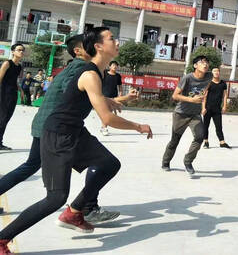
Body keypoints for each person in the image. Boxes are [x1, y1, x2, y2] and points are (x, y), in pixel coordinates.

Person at [0, 27, 153, 254]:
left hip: (75, 131)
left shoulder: (97, 73)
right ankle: (3, 239)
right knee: (55, 197)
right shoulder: (88, 73)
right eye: (112, 39)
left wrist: (110, 100)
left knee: (109, 163)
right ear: (98, 46)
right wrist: (138, 126)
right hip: (57, 133)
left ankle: (75, 211)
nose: (118, 43)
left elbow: (90, 98)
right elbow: (107, 119)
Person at [162, 55, 212, 177]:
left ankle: (188, 161)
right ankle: (166, 161)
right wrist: (192, 99)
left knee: (200, 137)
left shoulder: (209, 76)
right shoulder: (187, 78)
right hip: (181, 113)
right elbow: (175, 96)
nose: (205, 65)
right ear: (195, 65)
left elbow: (206, 88)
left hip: (195, 114)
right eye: (202, 62)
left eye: (207, 63)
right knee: (175, 140)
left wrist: (203, 102)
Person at [0, 43, 24, 150]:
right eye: (19, 50)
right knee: (2, 118)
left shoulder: (19, 67)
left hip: (13, 94)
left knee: (6, 119)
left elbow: (14, 80)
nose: (21, 52)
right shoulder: (7, 63)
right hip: (3, 93)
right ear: (13, 52)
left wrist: (21, 90)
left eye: (22, 50)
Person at [202, 67, 231, 149]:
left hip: (217, 109)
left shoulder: (223, 83)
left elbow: (225, 95)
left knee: (219, 126)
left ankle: (222, 142)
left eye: (218, 71)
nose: (216, 72)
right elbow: (205, 96)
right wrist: (203, 107)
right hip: (208, 108)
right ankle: (206, 142)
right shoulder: (209, 83)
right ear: (212, 73)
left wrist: (225, 106)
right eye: (214, 71)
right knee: (205, 126)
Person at [100, 60, 122, 136]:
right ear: (110, 66)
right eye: (113, 65)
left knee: (109, 113)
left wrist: (120, 95)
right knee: (106, 113)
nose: (115, 66)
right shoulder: (105, 73)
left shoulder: (118, 76)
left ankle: (103, 127)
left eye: (116, 65)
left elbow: (120, 86)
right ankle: (104, 127)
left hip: (114, 97)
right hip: (104, 96)